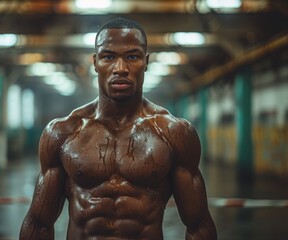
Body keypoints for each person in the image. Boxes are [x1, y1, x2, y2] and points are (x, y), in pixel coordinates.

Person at [19, 17, 217, 240]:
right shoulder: (62, 133)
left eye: (132, 56)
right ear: (95, 62)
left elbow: (198, 226)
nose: (120, 68)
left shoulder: (174, 133)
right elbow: (39, 223)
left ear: (146, 61)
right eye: (108, 56)